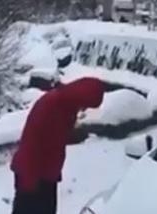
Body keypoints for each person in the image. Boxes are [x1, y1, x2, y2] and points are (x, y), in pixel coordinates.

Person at [10, 77, 105, 214]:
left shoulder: (68, 107)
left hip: (46, 174)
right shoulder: (51, 104)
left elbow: (55, 138)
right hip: (32, 175)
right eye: (86, 104)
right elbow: (31, 142)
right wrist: (29, 182)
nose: (84, 108)